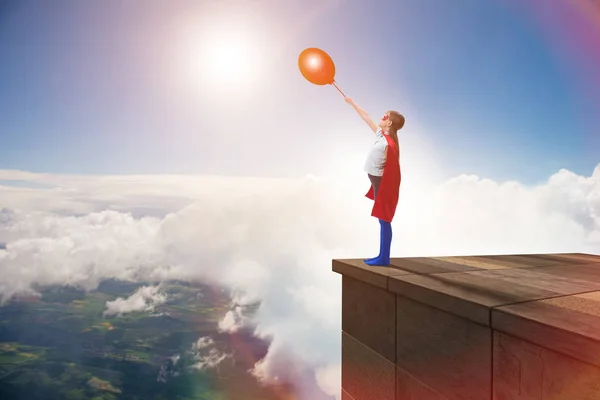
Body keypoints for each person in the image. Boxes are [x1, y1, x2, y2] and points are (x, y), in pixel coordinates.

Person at [345, 97, 404, 266]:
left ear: (390, 124)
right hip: (377, 181)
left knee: (384, 219)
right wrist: (352, 103)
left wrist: (386, 192)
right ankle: (382, 255)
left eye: (385, 117)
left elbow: (393, 173)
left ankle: (383, 257)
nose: (381, 117)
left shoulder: (389, 145)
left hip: (382, 184)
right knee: (382, 219)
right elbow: (367, 117)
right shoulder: (381, 134)